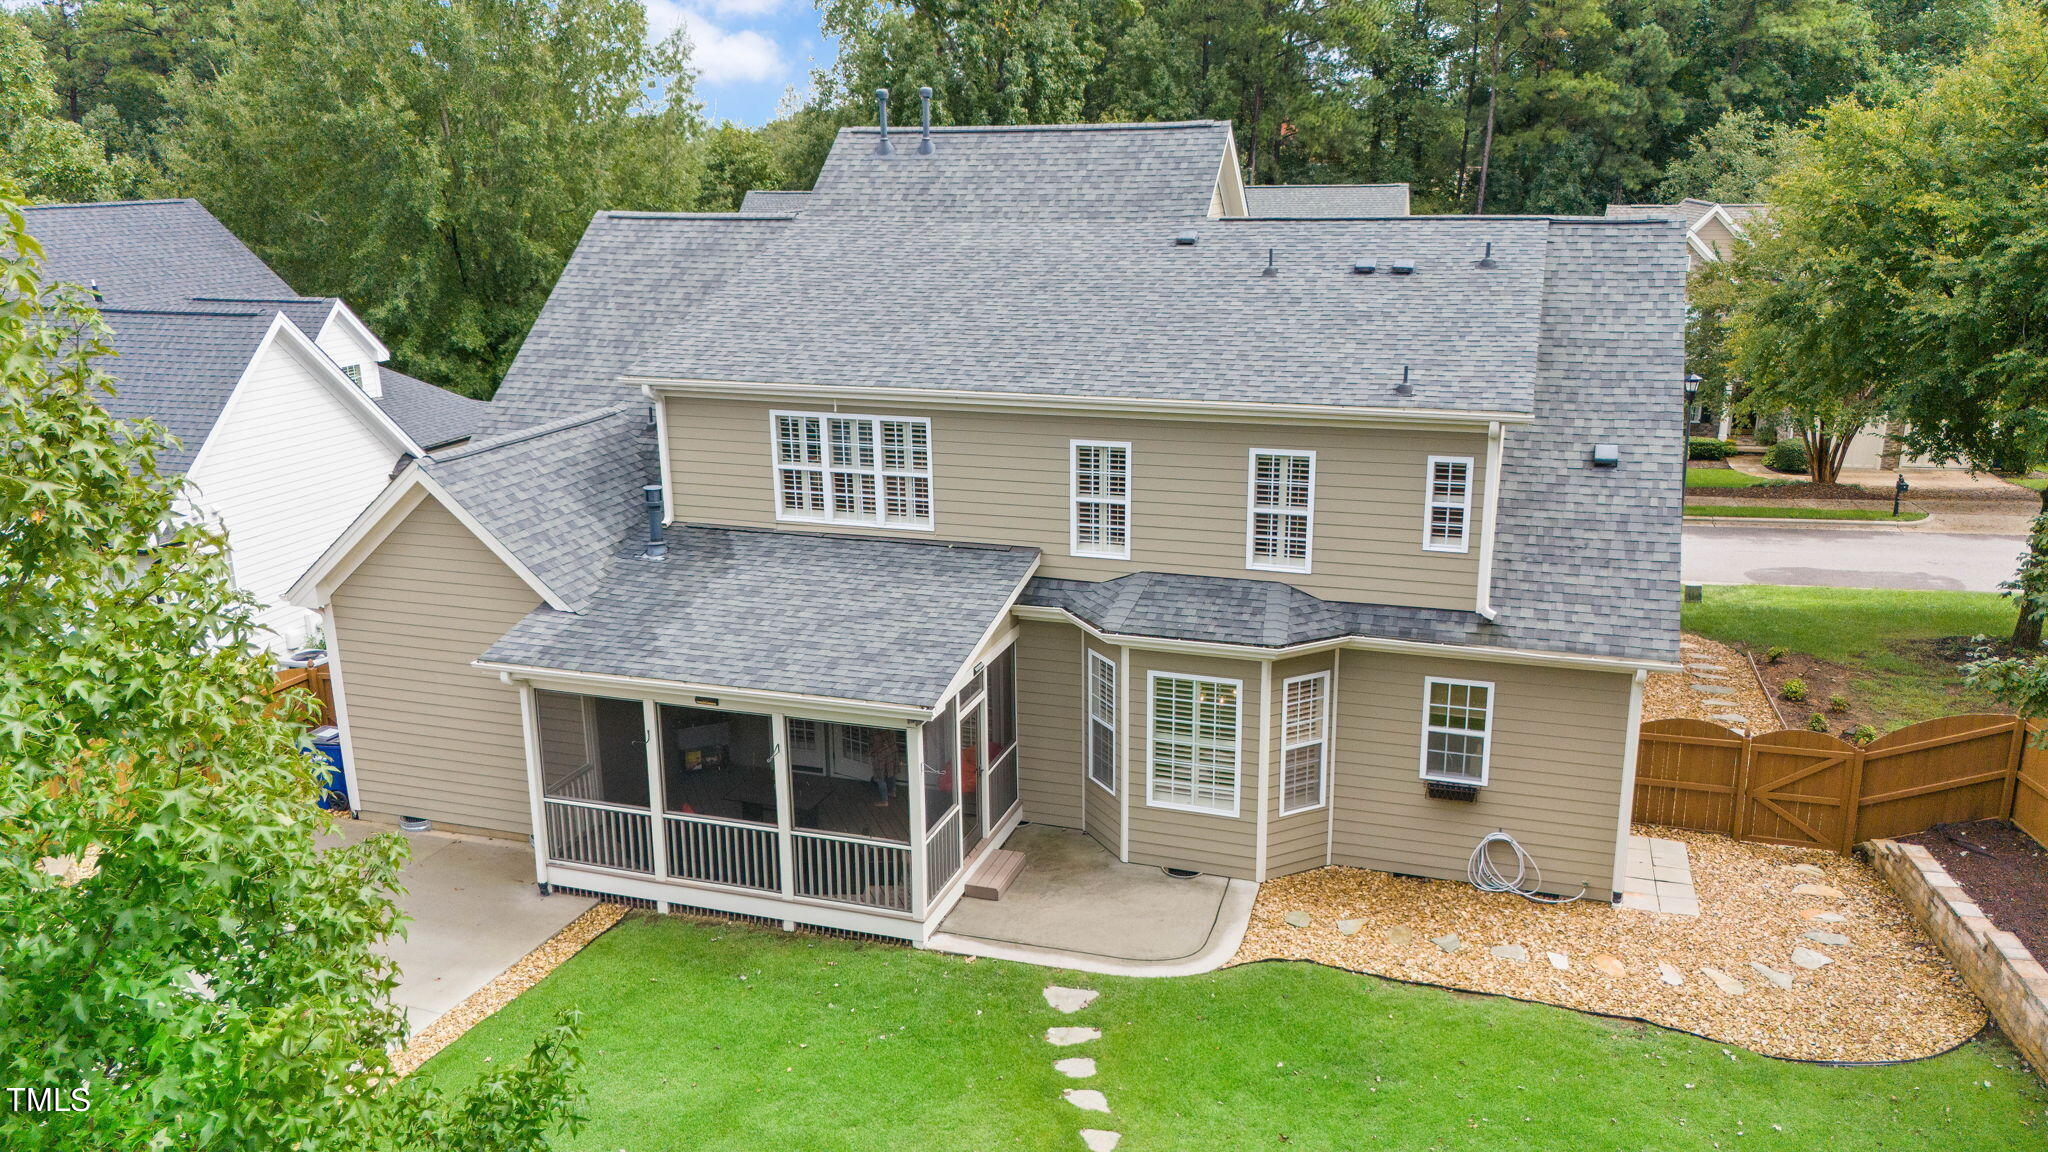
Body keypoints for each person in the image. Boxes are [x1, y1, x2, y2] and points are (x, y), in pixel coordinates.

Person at [870, 731, 902, 807]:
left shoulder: (876, 732)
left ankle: (884, 801)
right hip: (891, 751)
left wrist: (870, 752)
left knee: (880, 777)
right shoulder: (890, 729)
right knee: (891, 772)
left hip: (880, 755)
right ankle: (892, 791)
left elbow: (876, 745)